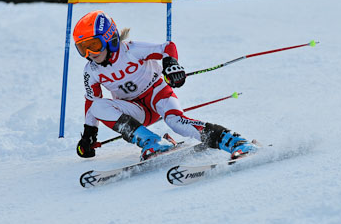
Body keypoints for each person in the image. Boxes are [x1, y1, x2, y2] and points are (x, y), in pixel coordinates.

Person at [73, 10, 257, 161]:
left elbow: (166, 47)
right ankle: (152, 142)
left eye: (94, 45)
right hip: (135, 111)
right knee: (98, 106)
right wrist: (90, 133)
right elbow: (92, 101)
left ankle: (236, 142)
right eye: (82, 48)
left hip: (157, 95)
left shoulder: (131, 50)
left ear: (109, 38)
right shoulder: (91, 70)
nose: (89, 53)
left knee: (176, 123)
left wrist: (171, 64)